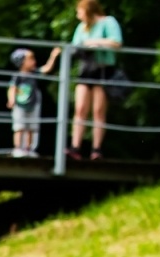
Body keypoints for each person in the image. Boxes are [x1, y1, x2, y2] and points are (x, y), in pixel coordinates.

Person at [42, 0, 122, 162]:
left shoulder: (108, 22)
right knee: (80, 109)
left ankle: (96, 149)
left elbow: (116, 43)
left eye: (80, 12)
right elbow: (75, 46)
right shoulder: (82, 28)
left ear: (89, 12)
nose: (78, 16)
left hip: (103, 69)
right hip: (86, 69)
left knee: (98, 111)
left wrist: (95, 42)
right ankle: (75, 147)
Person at [7, 49, 43, 158]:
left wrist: (53, 56)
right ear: (22, 62)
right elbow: (12, 88)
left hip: (32, 105)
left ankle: (28, 149)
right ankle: (18, 148)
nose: (34, 61)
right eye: (31, 59)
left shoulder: (34, 73)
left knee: (31, 127)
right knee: (19, 127)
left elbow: (46, 69)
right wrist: (11, 99)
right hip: (20, 105)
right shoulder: (17, 76)